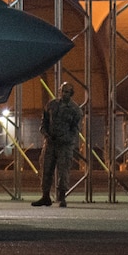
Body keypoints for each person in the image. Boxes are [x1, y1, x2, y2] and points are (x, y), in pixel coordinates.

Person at [31, 80, 83, 208]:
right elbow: (44, 122)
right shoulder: (51, 105)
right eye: (62, 91)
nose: (64, 94)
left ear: (71, 94)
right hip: (50, 143)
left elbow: (76, 129)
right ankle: (45, 196)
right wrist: (46, 134)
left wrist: (67, 139)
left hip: (64, 145)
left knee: (63, 171)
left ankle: (62, 197)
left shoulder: (75, 110)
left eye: (67, 92)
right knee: (45, 169)